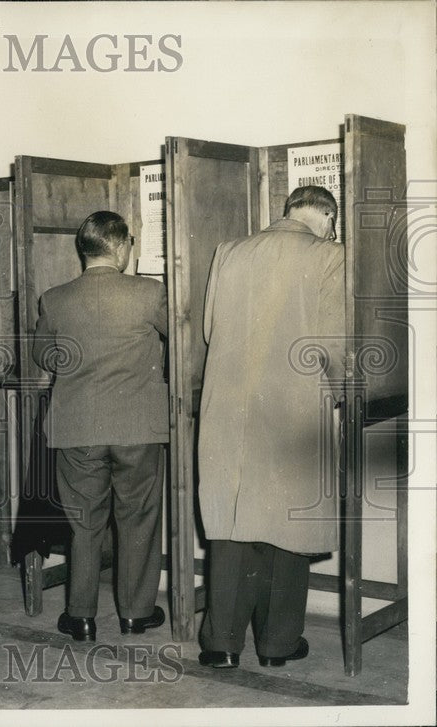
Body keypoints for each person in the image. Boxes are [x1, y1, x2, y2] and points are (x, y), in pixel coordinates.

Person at [196, 185, 344, 669]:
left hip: (228, 406)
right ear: (328, 218)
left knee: (232, 524)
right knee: (287, 524)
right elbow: (334, 345)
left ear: (288, 211)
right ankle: (278, 645)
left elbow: (209, 330)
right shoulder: (330, 254)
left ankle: (221, 643)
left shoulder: (229, 251)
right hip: (293, 406)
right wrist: (344, 394)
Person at [32, 211, 169, 642]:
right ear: (122, 246)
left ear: (84, 250)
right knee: (138, 521)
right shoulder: (150, 293)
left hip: (78, 429)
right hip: (138, 428)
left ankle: (81, 617)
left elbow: (43, 356)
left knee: (84, 524)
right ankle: (135, 614)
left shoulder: (54, 299)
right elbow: (181, 341)